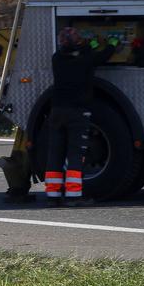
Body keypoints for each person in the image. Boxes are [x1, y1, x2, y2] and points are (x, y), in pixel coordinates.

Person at [43, 27, 120, 206]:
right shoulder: (85, 59)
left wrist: (87, 44)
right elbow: (101, 57)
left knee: (55, 153)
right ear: (76, 42)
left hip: (57, 111)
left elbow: (83, 55)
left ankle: (52, 196)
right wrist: (112, 43)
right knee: (75, 154)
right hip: (76, 112)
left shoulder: (57, 59)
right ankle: (73, 196)